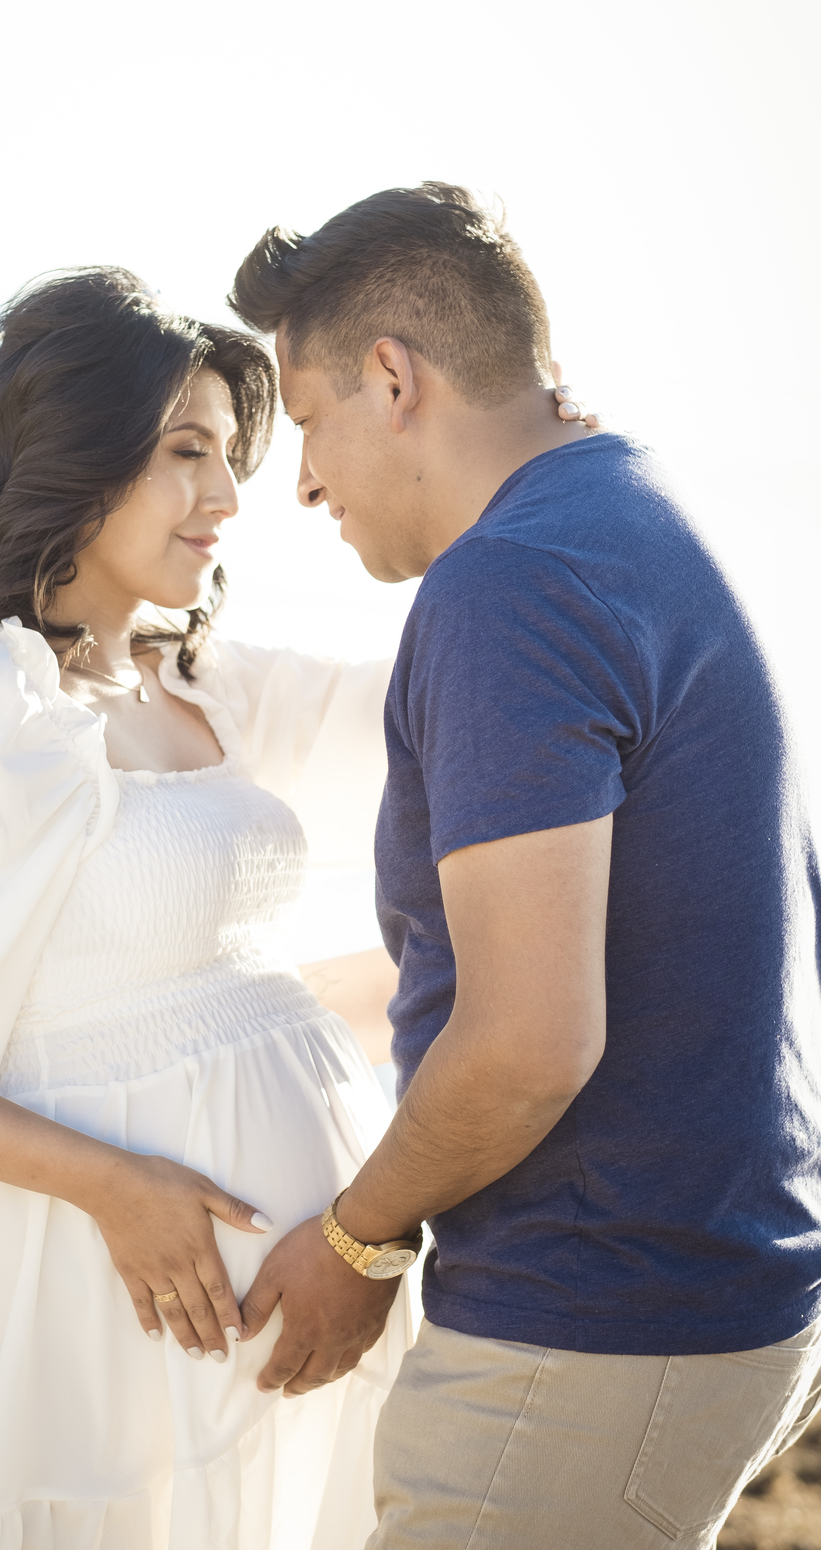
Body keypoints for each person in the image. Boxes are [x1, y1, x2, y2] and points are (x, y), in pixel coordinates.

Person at [0, 268, 419, 1550]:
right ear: (78, 455)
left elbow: (431, 715)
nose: (228, 499)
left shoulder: (206, 680)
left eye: (231, 456)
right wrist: (116, 1186)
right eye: (188, 453)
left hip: (267, 1327)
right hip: (65, 1305)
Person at [229, 183, 821, 1550]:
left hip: (590, 1326)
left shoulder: (509, 584)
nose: (302, 478)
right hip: (710, 1288)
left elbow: (530, 1041)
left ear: (392, 379)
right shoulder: (634, 509)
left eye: (306, 421)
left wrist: (355, 1243)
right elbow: (630, 926)